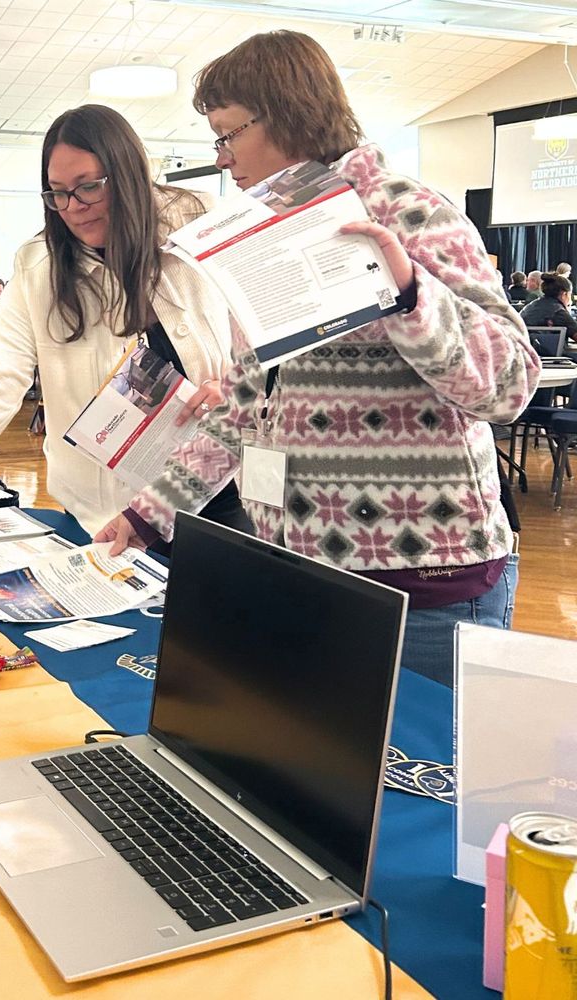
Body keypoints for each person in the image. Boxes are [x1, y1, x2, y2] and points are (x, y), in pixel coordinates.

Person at [96, 30, 541, 687]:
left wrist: (412, 299)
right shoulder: (261, 235)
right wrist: (147, 516)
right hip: (303, 576)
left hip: (422, 588)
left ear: (286, 115)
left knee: (423, 782)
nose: (221, 159)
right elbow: (243, 414)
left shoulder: (409, 211)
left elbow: (510, 385)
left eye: (228, 135)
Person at [0, 105, 248, 566]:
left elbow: (262, 339)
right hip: (101, 513)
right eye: (58, 193)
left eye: (89, 187)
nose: (74, 208)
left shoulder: (198, 222)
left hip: (208, 493)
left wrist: (235, 387)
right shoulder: (40, 263)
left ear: (129, 173)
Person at [519, 271, 577, 349]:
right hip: (551, 357)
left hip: (524, 354)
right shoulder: (558, 312)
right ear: (564, 294)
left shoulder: (531, 306)